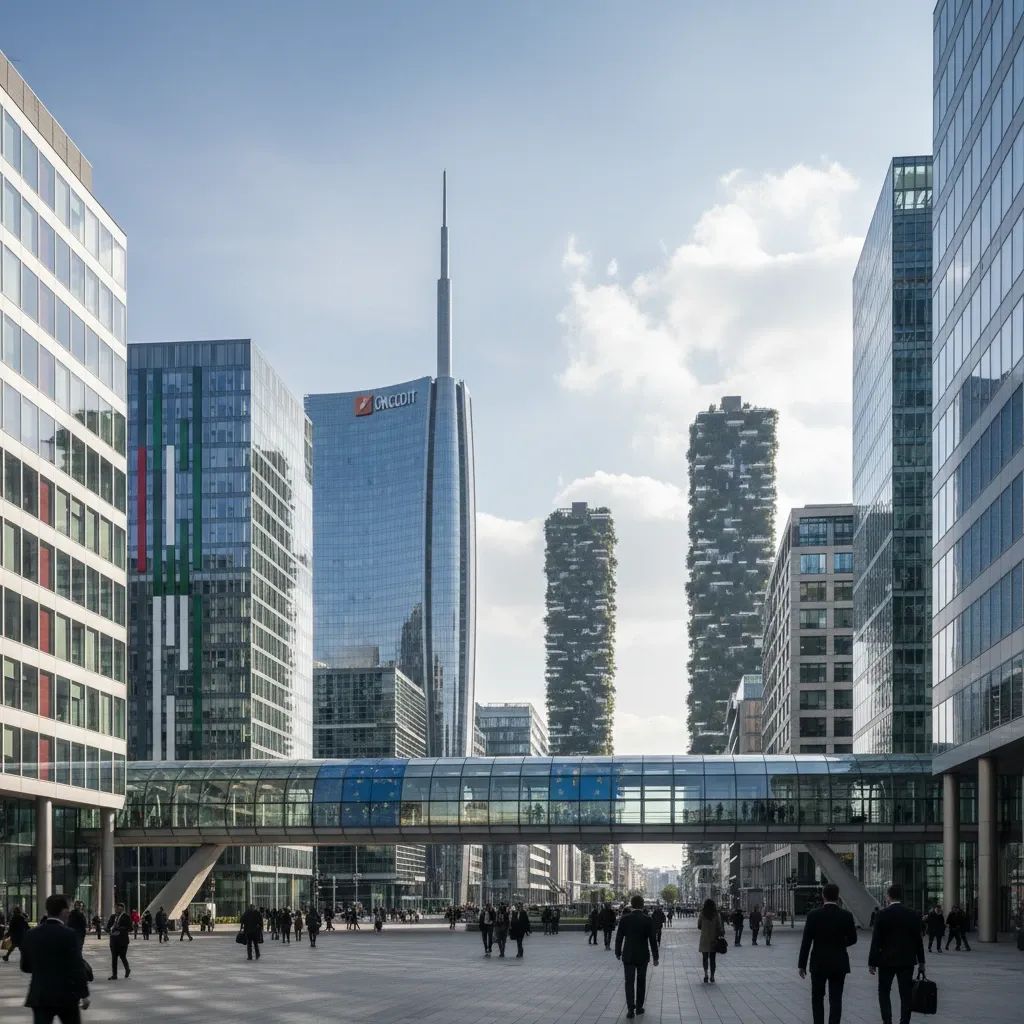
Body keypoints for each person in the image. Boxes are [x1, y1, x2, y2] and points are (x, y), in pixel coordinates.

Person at [20, 893, 90, 1024]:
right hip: (67, 995)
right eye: (68, 910)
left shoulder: (31, 934)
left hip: (40, 994)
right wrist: (84, 994)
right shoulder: (69, 934)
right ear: (64, 911)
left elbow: (25, 966)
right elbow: (77, 967)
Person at [797, 883, 857, 1024]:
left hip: (819, 962)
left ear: (823, 896)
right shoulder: (846, 916)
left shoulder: (813, 915)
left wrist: (802, 965)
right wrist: (841, 943)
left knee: (817, 997)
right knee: (836, 998)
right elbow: (853, 939)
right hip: (839, 962)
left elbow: (806, 942)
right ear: (838, 897)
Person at [868, 883, 926, 1024]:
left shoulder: (881, 914)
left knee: (884, 992)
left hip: (886, 960)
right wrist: (922, 961)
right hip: (907, 960)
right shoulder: (912, 914)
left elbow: (876, 940)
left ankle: (887, 1020)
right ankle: (904, 1021)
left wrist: (872, 962)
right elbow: (918, 939)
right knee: (905, 994)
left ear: (888, 896)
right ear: (902, 896)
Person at [615, 894, 658, 1020]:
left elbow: (619, 938)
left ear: (631, 905)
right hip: (643, 955)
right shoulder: (647, 919)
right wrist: (656, 957)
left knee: (629, 982)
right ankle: (639, 1007)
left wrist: (618, 952)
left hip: (628, 955)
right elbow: (652, 940)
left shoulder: (624, 919)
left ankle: (630, 1009)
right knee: (641, 981)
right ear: (642, 904)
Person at [697, 898, 724, 984]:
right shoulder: (716, 914)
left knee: (705, 958)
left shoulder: (702, 914)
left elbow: (699, 925)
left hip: (704, 939)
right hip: (713, 939)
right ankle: (712, 976)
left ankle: (706, 975)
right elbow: (719, 926)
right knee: (713, 959)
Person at [106, 902, 132, 980]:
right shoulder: (112, 916)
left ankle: (127, 969)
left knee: (122, 956)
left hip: (122, 940)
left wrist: (119, 929)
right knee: (114, 958)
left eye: (118, 908)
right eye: (116, 908)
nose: (117, 909)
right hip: (113, 940)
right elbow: (108, 926)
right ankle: (114, 975)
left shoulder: (126, 917)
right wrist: (108, 930)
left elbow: (130, 928)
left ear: (122, 909)